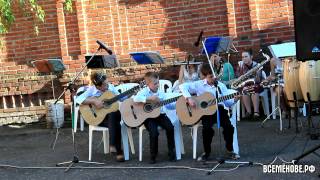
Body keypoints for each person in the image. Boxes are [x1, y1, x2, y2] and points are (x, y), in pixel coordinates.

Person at [179, 63, 240, 161]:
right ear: (204, 76)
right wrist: (189, 98)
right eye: (210, 77)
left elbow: (227, 103)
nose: (213, 78)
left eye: (214, 75)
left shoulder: (220, 86)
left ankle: (230, 150)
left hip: (219, 109)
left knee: (229, 127)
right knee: (207, 129)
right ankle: (206, 152)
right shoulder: (199, 84)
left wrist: (235, 100)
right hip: (205, 112)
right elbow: (182, 86)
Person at [76, 72, 125, 162]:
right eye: (105, 85)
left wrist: (129, 94)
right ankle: (118, 151)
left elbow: (121, 98)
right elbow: (78, 99)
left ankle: (113, 145)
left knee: (113, 113)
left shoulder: (111, 87)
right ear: (98, 86)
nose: (108, 86)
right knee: (116, 123)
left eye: (107, 83)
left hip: (112, 117)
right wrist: (93, 101)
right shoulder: (91, 90)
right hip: (98, 118)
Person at [133, 72, 176, 164]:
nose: (157, 85)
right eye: (155, 83)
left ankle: (171, 151)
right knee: (154, 133)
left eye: (158, 83)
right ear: (148, 84)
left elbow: (169, 106)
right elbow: (136, 99)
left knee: (170, 128)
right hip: (148, 118)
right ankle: (153, 155)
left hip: (160, 115)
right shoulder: (144, 91)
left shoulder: (161, 93)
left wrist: (176, 104)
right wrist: (149, 99)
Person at [236, 49, 264, 119]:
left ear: (251, 57)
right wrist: (241, 75)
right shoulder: (240, 65)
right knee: (244, 90)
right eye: (242, 57)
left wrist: (254, 74)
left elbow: (258, 80)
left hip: (257, 84)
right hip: (245, 85)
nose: (244, 59)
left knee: (254, 89)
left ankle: (256, 112)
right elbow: (238, 78)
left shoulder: (257, 65)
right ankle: (248, 112)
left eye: (246, 56)